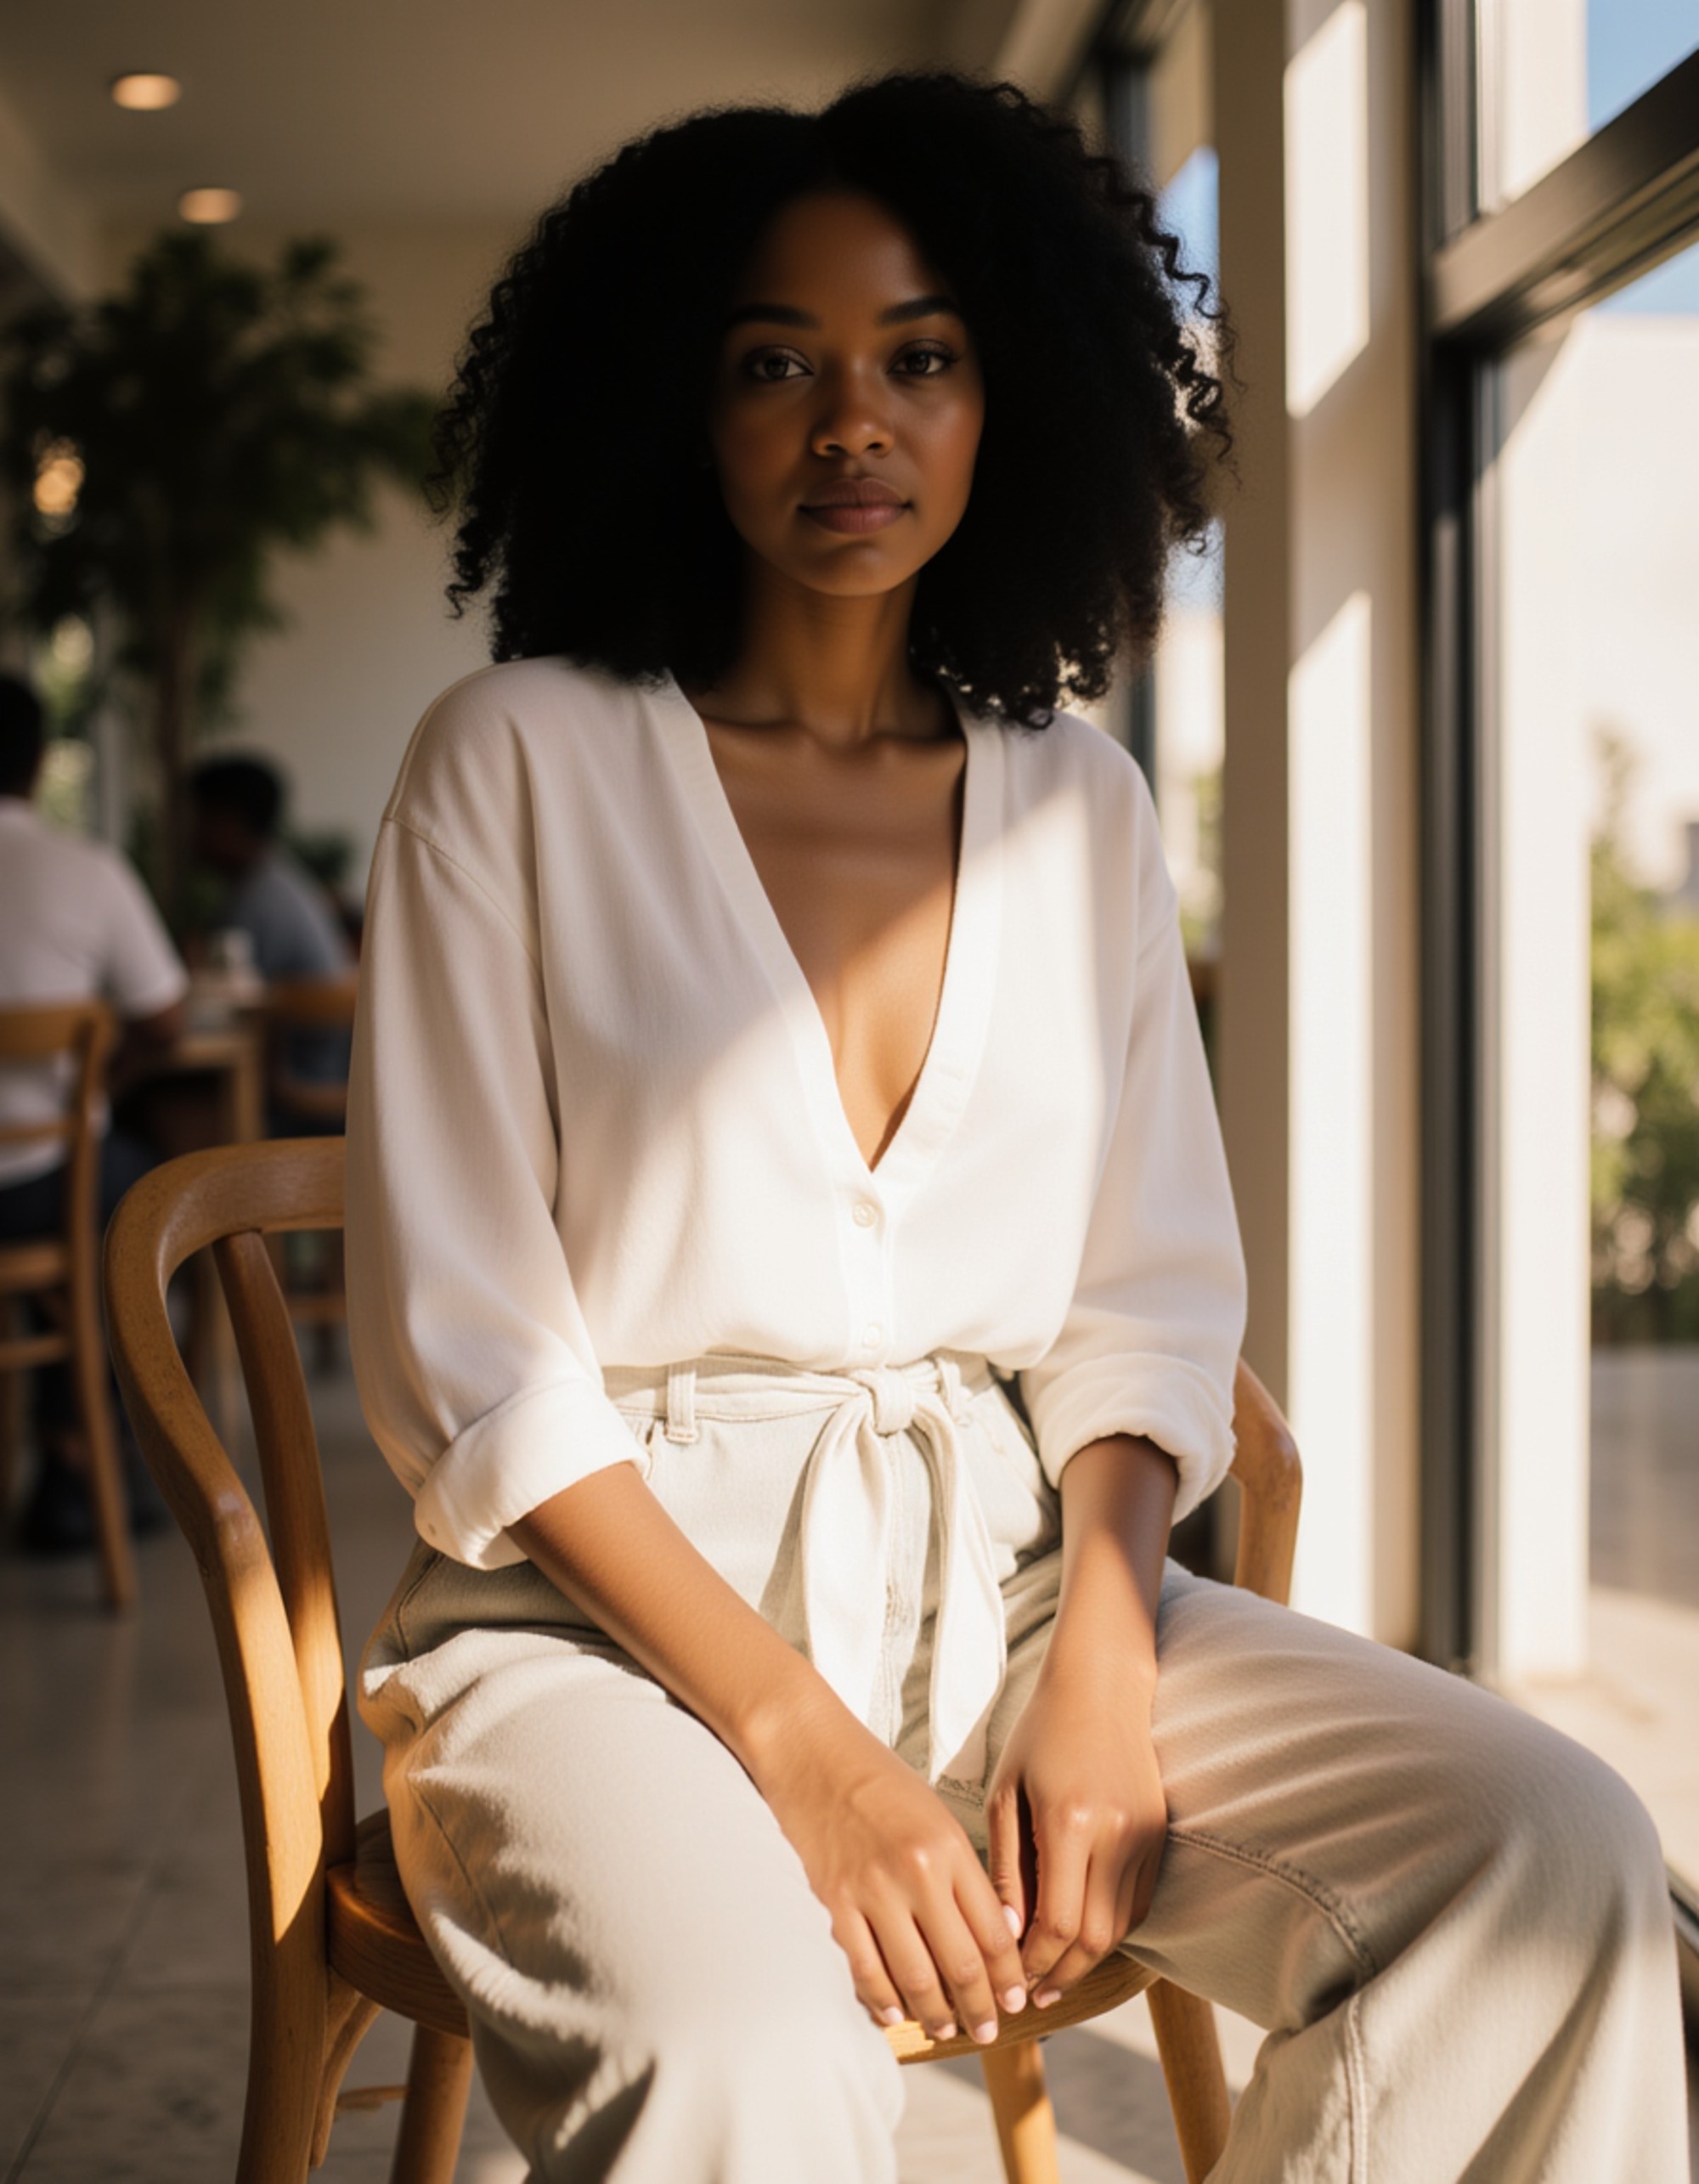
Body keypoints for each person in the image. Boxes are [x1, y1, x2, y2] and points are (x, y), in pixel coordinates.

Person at [345, 73, 1689, 2184]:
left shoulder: (1077, 802)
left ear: (1017, 398)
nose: (849, 421)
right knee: (749, 2055)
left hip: (1016, 1589)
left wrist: (1110, 1659)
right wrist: (796, 1744)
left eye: (922, 358)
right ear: (671, 408)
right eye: (772, 363)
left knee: (1545, 1852)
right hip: (598, 1636)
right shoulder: (511, 765)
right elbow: (471, 1351)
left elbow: (1143, 1296)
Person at [0, 674, 187, 1549]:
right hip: (45, 1185)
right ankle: (86, 1458)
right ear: (39, 763)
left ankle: (60, 1446)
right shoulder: (86, 870)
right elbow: (166, 1018)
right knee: (133, 1206)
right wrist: (96, 1093)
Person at [186, 753, 353, 1107]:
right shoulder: (277, 879)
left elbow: (221, 1016)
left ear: (228, 820)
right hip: (324, 1080)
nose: (191, 832)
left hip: (292, 1092)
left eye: (199, 817)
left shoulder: (258, 902)